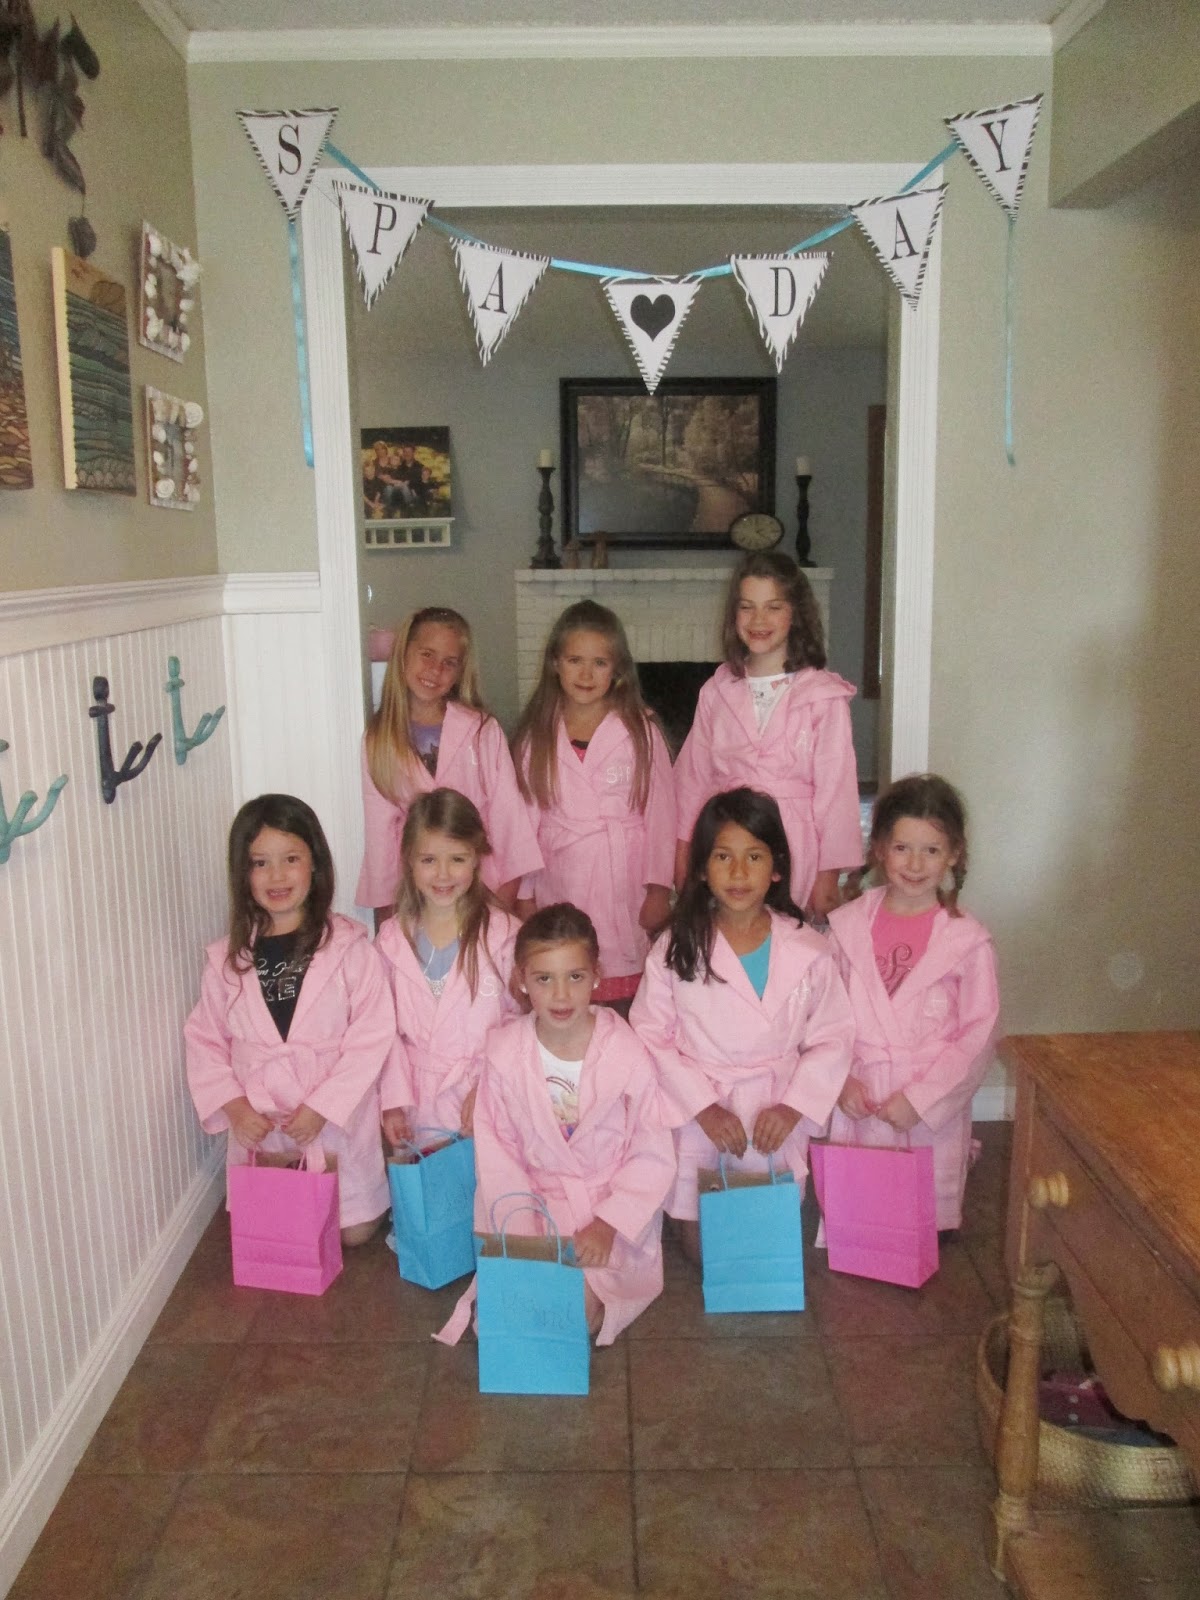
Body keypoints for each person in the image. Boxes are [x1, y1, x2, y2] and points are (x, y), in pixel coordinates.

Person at [631, 787, 854, 1263]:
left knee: (761, 1246)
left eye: (754, 857)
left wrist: (793, 1107)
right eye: (723, 857)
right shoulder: (676, 947)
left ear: (776, 868)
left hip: (774, 1107)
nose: (738, 873)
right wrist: (704, 1108)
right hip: (702, 1109)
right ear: (701, 868)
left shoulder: (808, 949)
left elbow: (833, 1037)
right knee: (706, 1252)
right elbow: (651, 1034)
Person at [438, 904, 676, 1345]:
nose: (561, 995)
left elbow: (652, 1151)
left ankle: (600, 1291)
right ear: (521, 980)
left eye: (575, 977)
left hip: (604, 1213)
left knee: (568, 1316)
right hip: (533, 1208)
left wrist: (609, 1223)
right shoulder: (504, 1053)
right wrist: (525, 1239)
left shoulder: (626, 1053)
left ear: (597, 975)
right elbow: (498, 1156)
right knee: (516, 1318)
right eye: (544, 979)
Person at [184, 794, 392, 1247]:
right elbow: (205, 1040)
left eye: (290, 859)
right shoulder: (226, 960)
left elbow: (371, 1038)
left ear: (314, 864)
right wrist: (236, 1108)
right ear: (243, 873)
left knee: (352, 1233)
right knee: (278, 1226)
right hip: (262, 1118)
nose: (276, 876)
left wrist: (322, 1108)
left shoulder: (351, 949)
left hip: (329, 1113)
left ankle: (357, 1197)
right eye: (260, 863)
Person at [824, 774, 1000, 1234]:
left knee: (919, 1229)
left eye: (932, 850)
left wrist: (922, 1100)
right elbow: (822, 1017)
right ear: (880, 848)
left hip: (926, 1101)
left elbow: (978, 1037)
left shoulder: (967, 942)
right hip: (861, 1095)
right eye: (902, 848)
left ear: (954, 854)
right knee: (862, 1227)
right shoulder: (845, 928)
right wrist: (840, 1080)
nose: (916, 864)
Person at [672, 551, 863, 919]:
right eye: (747, 607)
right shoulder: (717, 691)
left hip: (793, 842)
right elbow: (693, 779)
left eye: (773, 607)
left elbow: (836, 791)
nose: (758, 620)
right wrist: (683, 854)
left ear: (796, 613)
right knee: (730, 930)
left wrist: (828, 875)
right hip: (728, 839)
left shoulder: (822, 696)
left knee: (787, 934)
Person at [512, 600, 676, 1014]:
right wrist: (525, 893)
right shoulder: (536, 737)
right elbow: (525, 823)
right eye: (575, 661)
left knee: (622, 984)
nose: (586, 675)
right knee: (565, 968)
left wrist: (659, 888)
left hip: (625, 878)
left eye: (599, 663)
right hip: (559, 876)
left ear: (617, 669)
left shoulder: (641, 731)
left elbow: (662, 816)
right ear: (555, 663)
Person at [357, 607, 542, 915]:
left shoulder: (482, 730)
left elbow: (508, 818)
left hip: (484, 889)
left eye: (449, 662)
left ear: (460, 671)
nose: (435, 669)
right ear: (403, 654)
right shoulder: (378, 740)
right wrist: (388, 915)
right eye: (427, 655)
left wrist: (504, 903)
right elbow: (380, 837)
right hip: (417, 894)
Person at [376, 789, 520, 1143]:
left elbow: (520, 1024)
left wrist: (487, 1085)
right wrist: (392, 1103)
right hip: (414, 1106)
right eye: (429, 860)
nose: (443, 874)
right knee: (426, 1176)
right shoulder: (391, 940)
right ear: (409, 860)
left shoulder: (505, 936)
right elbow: (380, 1029)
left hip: (485, 1096)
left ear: (477, 859)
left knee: (485, 1176)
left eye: (457, 859)